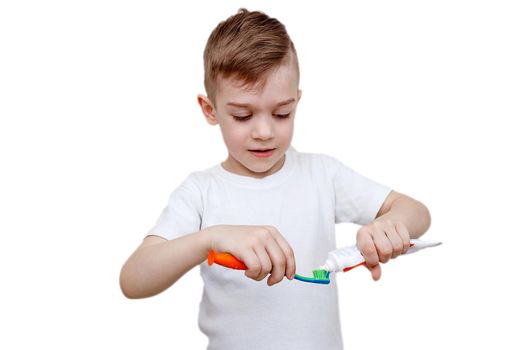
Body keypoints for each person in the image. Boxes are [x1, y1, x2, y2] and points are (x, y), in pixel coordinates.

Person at [119, 8, 431, 350]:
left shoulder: (321, 175)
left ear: (296, 101)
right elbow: (133, 280)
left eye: (282, 113)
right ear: (210, 110)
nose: (264, 131)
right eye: (242, 115)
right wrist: (210, 239)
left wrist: (389, 227)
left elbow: (415, 212)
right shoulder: (201, 192)